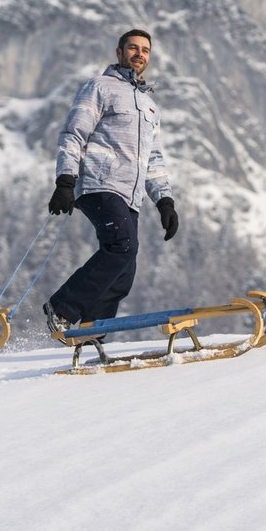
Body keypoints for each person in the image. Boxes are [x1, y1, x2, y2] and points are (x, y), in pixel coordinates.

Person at [42, 29, 180, 331]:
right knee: (121, 247)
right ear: (119, 53)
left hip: (130, 195)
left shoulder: (148, 105)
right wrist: (65, 181)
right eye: (133, 48)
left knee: (124, 273)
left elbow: (152, 158)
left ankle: (92, 333)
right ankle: (61, 308)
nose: (139, 54)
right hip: (99, 183)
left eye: (145, 50)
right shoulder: (100, 87)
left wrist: (165, 202)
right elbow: (73, 132)